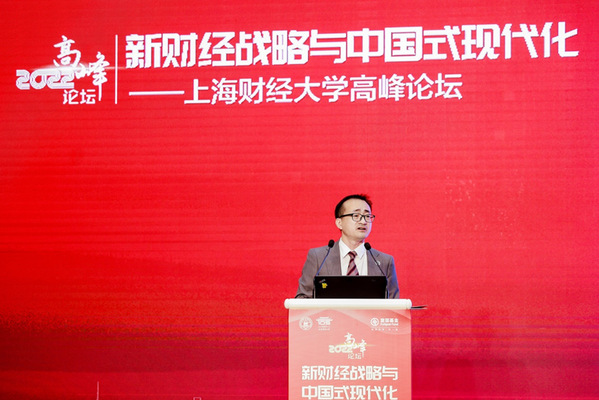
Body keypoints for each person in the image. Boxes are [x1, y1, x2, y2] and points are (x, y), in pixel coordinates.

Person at [295, 194, 400, 299]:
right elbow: (302, 298)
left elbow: (394, 304)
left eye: (367, 216)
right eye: (356, 216)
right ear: (339, 223)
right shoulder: (319, 257)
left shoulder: (385, 262)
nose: (363, 221)